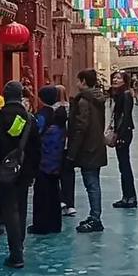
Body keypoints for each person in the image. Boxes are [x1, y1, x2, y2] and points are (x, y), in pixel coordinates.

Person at [0, 80, 41, 268]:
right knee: (21, 207)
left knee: (9, 210)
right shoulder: (29, 118)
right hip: (24, 170)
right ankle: (20, 245)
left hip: (4, 171)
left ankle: (15, 252)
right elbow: (36, 148)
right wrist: (33, 171)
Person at [67, 68, 107, 234]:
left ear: (83, 81)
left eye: (78, 80)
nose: (76, 83)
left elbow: (81, 127)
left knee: (91, 184)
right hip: (96, 145)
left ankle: (95, 218)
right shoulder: (97, 98)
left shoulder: (84, 101)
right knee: (93, 182)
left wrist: (72, 151)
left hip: (88, 147)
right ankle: (94, 215)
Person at [30, 86, 67, 235]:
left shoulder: (42, 115)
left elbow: (35, 133)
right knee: (54, 192)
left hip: (43, 158)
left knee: (41, 193)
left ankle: (41, 225)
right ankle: (55, 224)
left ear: (41, 99)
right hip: (56, 158)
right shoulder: (60, 114)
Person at [110, 71, 137, 208]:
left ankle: (130, 197)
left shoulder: (126, 95)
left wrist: (120, 135)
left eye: (119, 78)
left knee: (125, 165)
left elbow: (125, 116)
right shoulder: (120, 95)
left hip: (124, 133)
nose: (115, 80)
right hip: (122, 132)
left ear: (125, 81)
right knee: (123, 165)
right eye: (114, 77)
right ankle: (126, 196)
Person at [56, 84, 76, 216]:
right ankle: (70, 203)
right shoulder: (71, 108)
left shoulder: (53, 109)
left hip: (56, 146)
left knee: (55, 174)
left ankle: (60, 199)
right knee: (68, 174)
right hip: (69, 145)